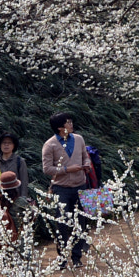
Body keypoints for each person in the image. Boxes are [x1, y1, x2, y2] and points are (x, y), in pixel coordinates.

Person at [42, 112, 94, 267]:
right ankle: (63, 257)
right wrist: (67, 169)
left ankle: (77, 257)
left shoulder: (79, 139)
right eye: (68, 122)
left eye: (71, 122)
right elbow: (47, 169)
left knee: (80, 222)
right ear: (60, 128)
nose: (71, 124)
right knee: (62, 223)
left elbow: (85, 156)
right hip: (61, 188)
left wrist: (86, 164)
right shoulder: (50, 145)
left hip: (80, 185)